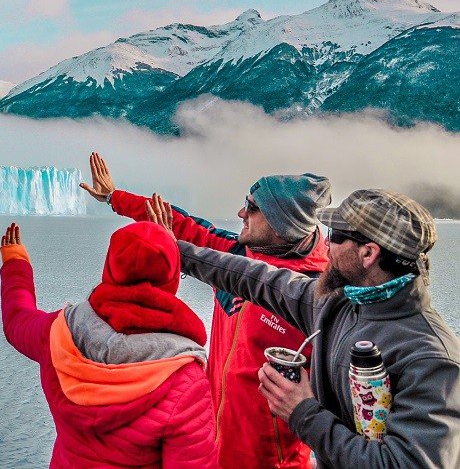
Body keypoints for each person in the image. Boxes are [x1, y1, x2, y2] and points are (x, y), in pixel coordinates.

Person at [145, 190, 460, 468]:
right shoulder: (336, 305)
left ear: (368, 253)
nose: (325, 242)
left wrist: (301, 411)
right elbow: (252, 277)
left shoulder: (431, 358)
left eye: (335, 235)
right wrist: (176, 250)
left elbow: (405, 463)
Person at [79, 152, 331, 469]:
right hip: (212, 445)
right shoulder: (238, 255)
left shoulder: (318, 295)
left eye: (252, 208)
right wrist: (115, 198)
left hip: (271, 460)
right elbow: (183, 225)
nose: (241, 213)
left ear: (282, 225)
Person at [0, 219, 217, 467]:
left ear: (109, 269)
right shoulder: (185, 382)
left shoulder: (59, 332)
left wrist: (15, 263)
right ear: (172, 279)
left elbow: (16, 320)